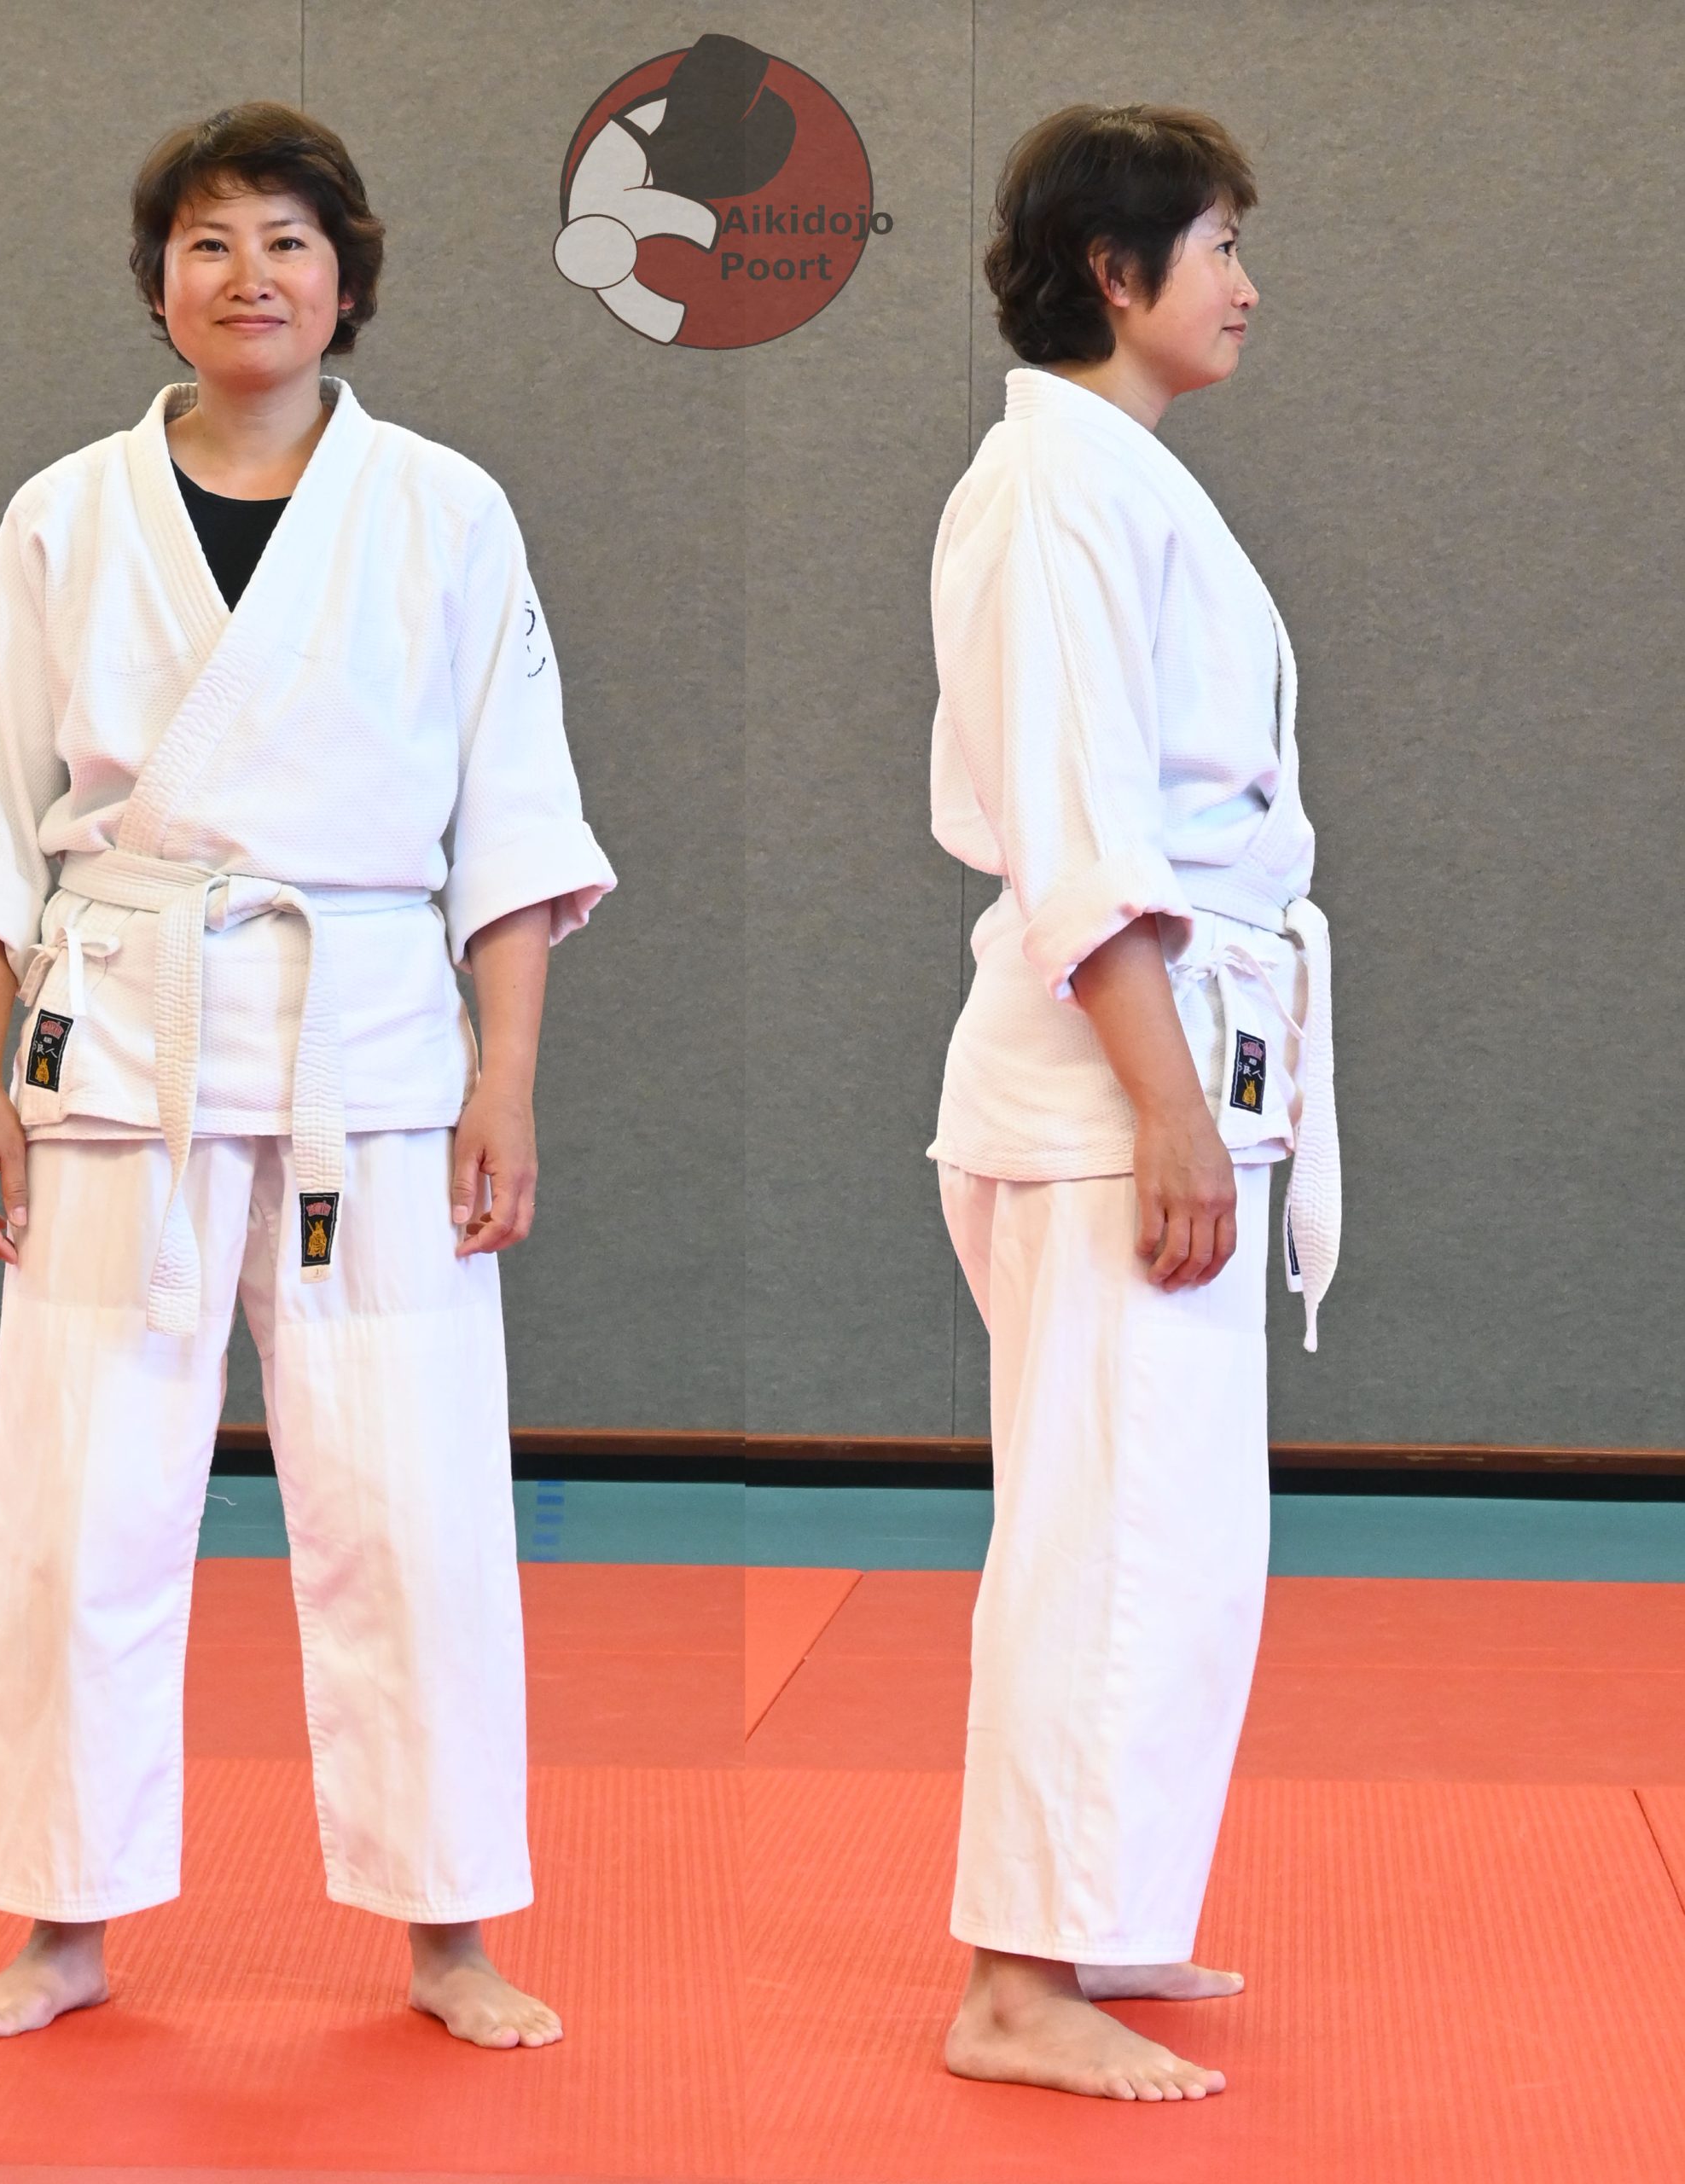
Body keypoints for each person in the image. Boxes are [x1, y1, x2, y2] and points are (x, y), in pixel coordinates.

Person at [0, 102, 615, 2048]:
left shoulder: (445, 512)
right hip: (117, 1038)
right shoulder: (62, 515)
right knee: (81, 1503)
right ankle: (60, 1920)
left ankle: (450, 1929)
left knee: (413, 1501)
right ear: (158, 287)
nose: (249, 277)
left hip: (365, 1051)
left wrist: (505, 1085)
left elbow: (512, 830)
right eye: (208, 242)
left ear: (346, 279)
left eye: (288, 240)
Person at [927, 104, 1340, 2102]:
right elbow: (1075, 830)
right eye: (1219, 245)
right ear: (1116, 270)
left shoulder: (1117, 479)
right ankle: (1012, 1980)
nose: (1245, 284)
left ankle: (1089, 1909)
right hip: (1112, 1079)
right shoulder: (1046, 490)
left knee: (1170, 1532)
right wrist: (1163, 1106)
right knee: (1103, 1534)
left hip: (1170, 1055)